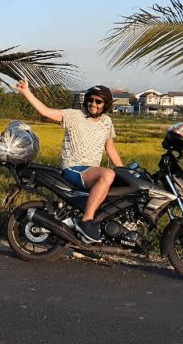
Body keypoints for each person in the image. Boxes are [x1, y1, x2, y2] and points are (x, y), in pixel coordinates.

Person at [15, 81, 123, 243]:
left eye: (98, 101)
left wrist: (123, 170)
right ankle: (86, 221)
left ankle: (84, 241)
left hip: (91, 172)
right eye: (91, 100)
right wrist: (26, 92)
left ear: (105, 105)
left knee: (114, 188)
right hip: (73, 168)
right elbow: (46, 112)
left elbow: (110, 148)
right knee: (107, 174)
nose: (93, 104)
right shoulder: (74, 115)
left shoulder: (107, 122)